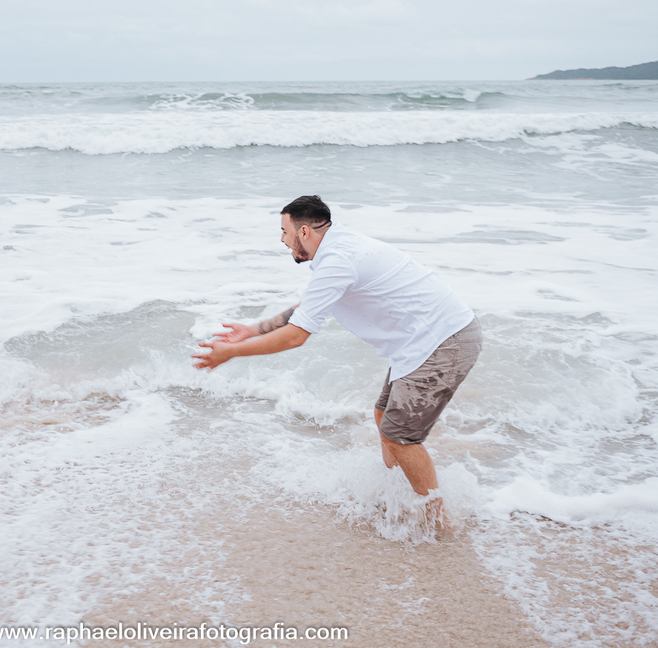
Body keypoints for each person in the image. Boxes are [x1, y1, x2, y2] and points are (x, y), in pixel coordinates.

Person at [192, 195, 481, 516]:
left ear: (304, 232)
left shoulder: (337, 260)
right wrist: (253, 330)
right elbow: (307, 309)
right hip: (421, 342)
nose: (283, 240)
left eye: (285, 232)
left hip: (443, 340)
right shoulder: (339, 248)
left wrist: (231, 352)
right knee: (384, 416)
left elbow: (296, 337)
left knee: (400, 436)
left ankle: (434, 518)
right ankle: (399, 492)